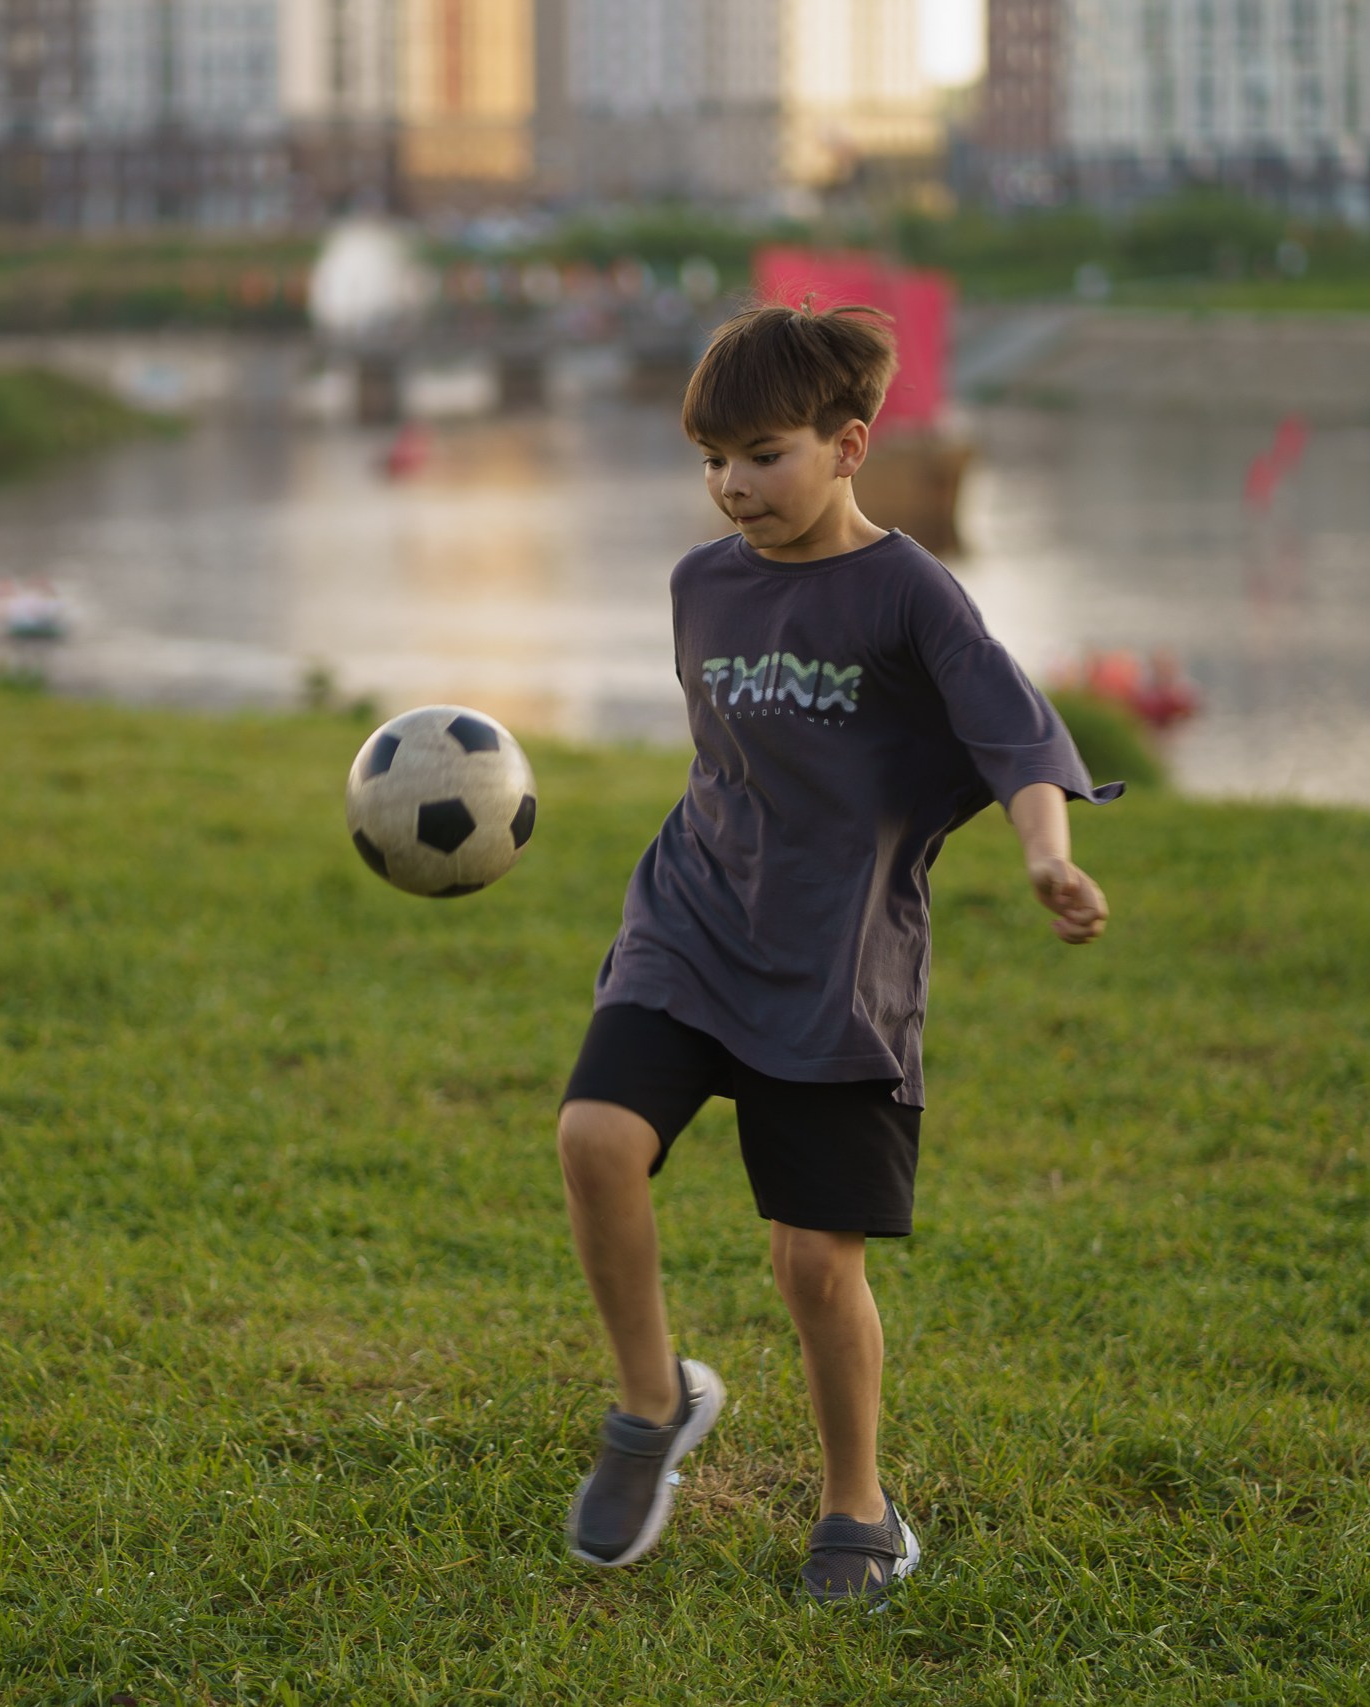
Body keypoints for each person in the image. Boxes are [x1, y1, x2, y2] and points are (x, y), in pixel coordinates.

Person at [557, 301, 1120, 1605]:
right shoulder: (701, 582)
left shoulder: (907, 591)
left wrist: (1045, 852)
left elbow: (1016, 732)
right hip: (691, 919)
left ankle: (858, 1504)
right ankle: (652, 1406)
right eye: (712, 459)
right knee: (594, 1135)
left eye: (762, 453)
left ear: (850, 443)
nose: (731, 486)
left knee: (815, 1264)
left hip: (835, 960)